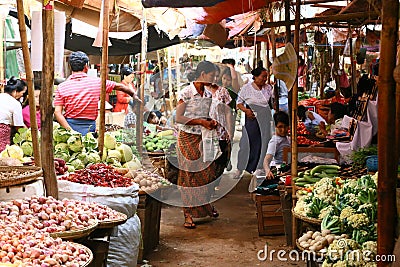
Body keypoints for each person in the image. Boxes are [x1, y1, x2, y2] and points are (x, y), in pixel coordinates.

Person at [175, 60, 219, 229]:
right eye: (212, 75)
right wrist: (201, 122)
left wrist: (210, 122)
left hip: (203, 139)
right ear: (202, 74)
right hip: (187, 138)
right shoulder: (186, 93)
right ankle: (188, 214)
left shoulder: (208, 94)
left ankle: (204, 206)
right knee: (188, 176)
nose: (214, 78)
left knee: (207, 174)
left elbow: (206, 116)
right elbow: (179, 118)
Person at [54, 51, 141, 135]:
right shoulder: (97, 82)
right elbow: (119, 86)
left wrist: (70, 131)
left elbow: (57, 112)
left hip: (70, 126)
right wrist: (133, 95)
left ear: (70, 66)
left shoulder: (61, 87)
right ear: (86, 66)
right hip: (89, 128)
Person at [234, 67, 273, 179]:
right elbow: (239, 103)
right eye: (263, 76)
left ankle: (259, 167)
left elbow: (272, 103)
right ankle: (240, 168)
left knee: (263, 142)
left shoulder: (268, 88)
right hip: (251, 117)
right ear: (255, 77)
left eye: (266, 76)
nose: (265, 79)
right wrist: (246, 111)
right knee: (247, 142)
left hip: (264, 117)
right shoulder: (246, 88)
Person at [0, 77, 25, 151]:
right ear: (15, 91)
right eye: (22, 93)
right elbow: (18, 126)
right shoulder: (15, 103)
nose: (22, 96)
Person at [263, 111, 290, 179]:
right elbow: (266, 160)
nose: (283, 130)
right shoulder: (274, 141)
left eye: (285, 126)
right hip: (281, 171)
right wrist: (267, 171)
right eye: (280, 127)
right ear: (275, 126)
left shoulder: (288, 139)